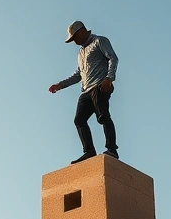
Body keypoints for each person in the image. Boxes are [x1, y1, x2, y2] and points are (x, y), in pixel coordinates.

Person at [48, 21, 119, 164]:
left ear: (81, 31)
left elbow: (113, 58)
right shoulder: (80, 52)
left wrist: (109, 78)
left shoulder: (99, 41)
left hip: (100, 85)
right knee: (79, 120)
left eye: (75, 38)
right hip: (86, 90)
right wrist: (60, 85)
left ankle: (112, 149)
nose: (74, 42)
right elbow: (78, 74)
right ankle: (89, 151)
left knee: (103, 116)